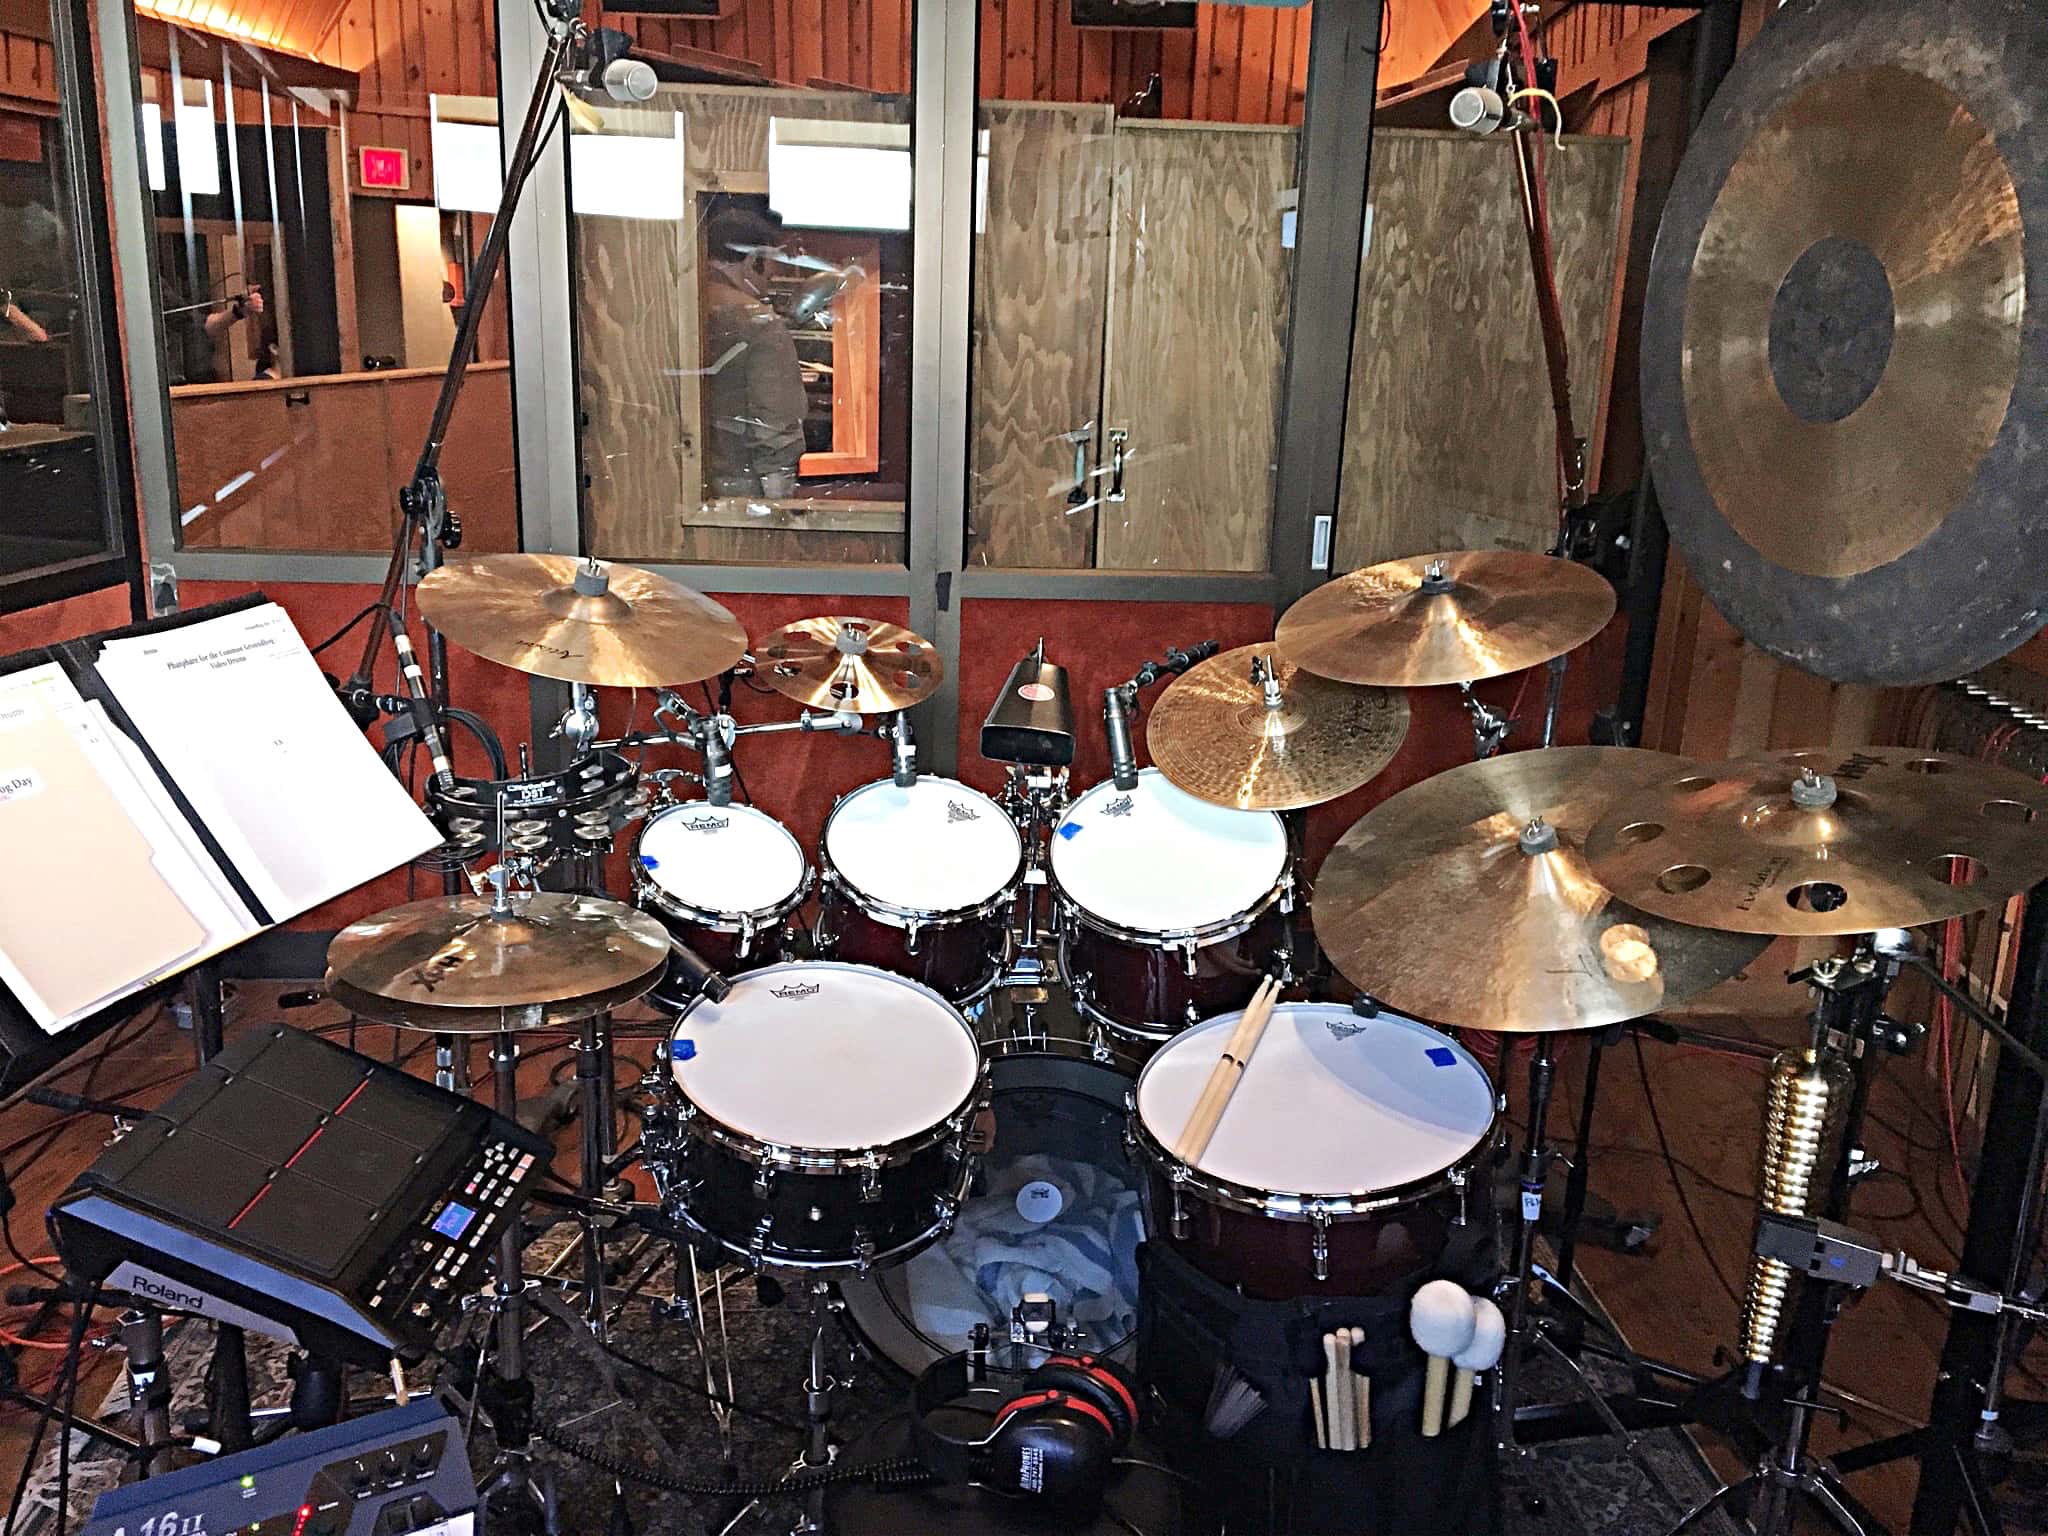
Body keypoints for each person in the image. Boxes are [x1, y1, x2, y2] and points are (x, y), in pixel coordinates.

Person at [700, 207, 808, 501]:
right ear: (753, 260)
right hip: (739, 498)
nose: (771, 280)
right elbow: (776, 429)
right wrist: (778, 511)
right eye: (771, 269)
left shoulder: (677, 308)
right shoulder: (760, 323)